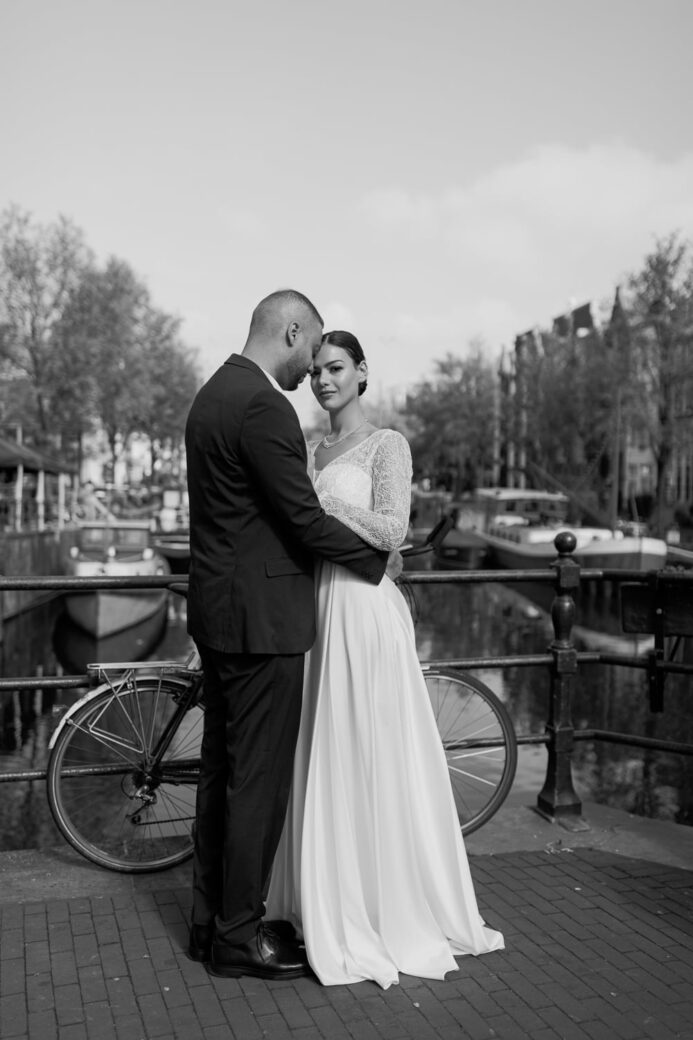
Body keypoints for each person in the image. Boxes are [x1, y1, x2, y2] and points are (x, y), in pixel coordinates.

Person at [265, 330, 504, 988]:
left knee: (370, 749)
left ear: (361, 371)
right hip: (318, 608)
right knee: (325, 749)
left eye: (335, 368)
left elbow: (392, 529)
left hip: (364, 610)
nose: (322, 380)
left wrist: (319, 502)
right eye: (314, 370)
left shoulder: (387, 443)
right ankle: (328, 895)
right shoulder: (314, 449)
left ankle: (380, 906)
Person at [185, 292, 393, 981]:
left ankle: (208, 920)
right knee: (258, 783)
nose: (311, 372)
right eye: (310, 354)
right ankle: (239, 938)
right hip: (264, 622)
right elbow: (301, 518)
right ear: (292, 330)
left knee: (220, 773)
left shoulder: (211, 396)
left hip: (218, 614)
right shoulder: (263, 407)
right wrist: (373, 561)